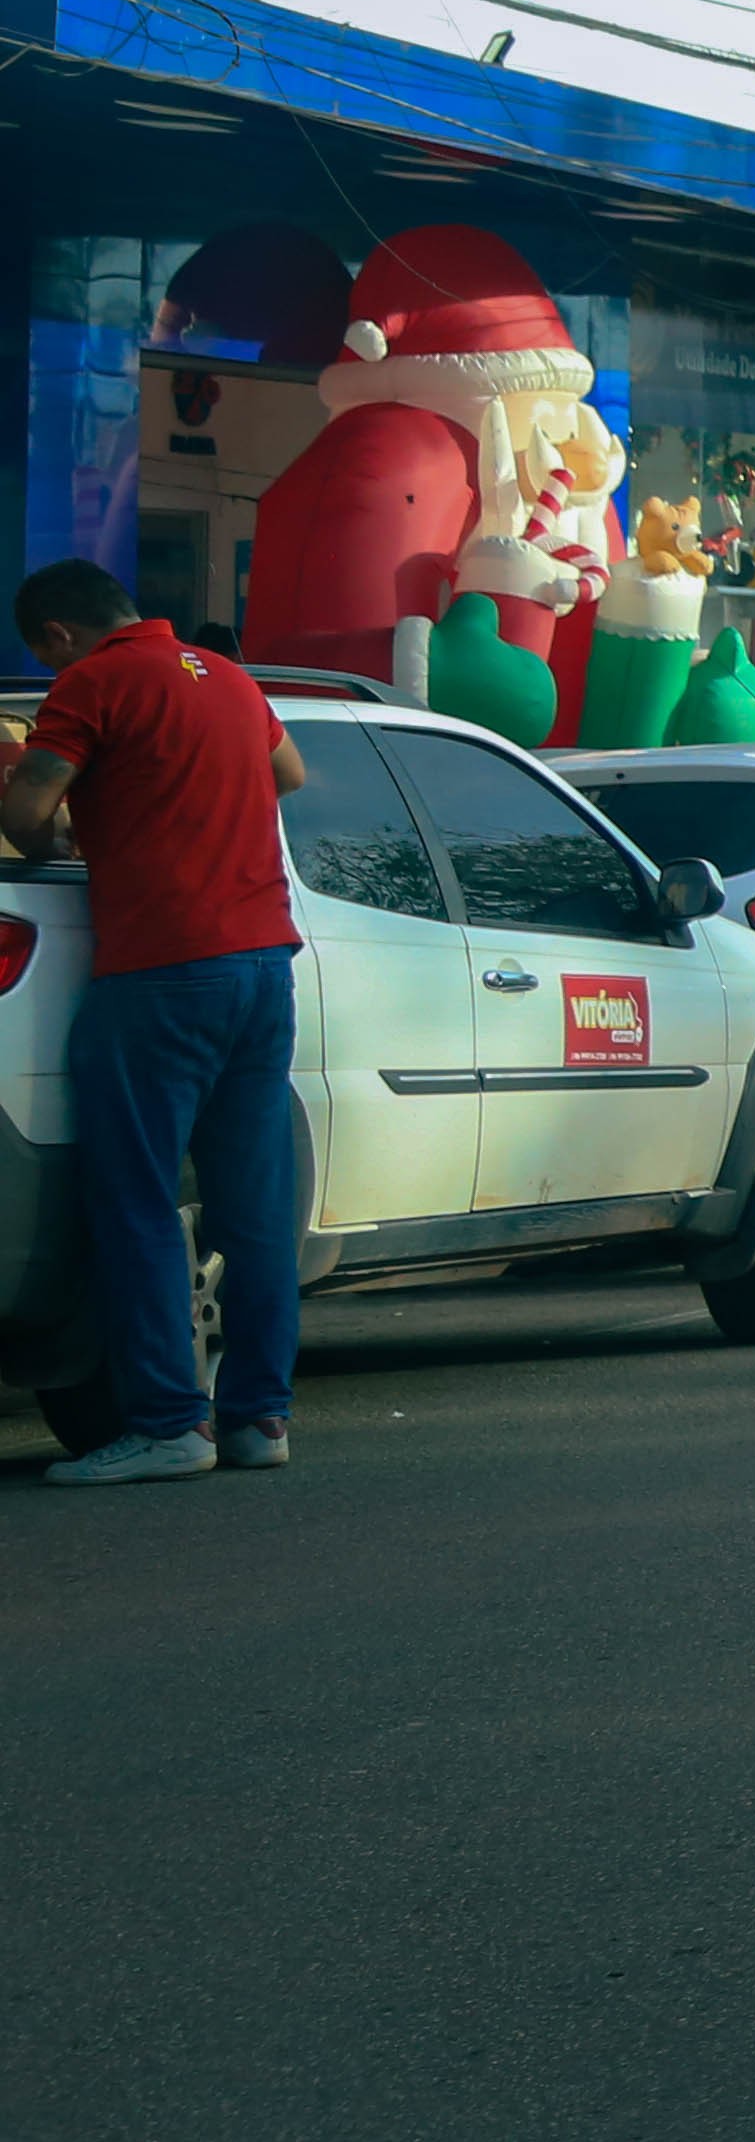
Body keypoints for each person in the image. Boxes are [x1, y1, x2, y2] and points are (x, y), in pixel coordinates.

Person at [4, 559, 308, 1486]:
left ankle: (170, 1423)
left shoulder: (92, 683)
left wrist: (44, 794)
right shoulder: (230, 679)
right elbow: (289, 775)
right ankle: (258, 1419)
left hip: (164, 971)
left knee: (134, 1199)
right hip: (263, 964)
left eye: (42, 653)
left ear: (58, 635)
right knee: (251, 1208)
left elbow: (26, 815)